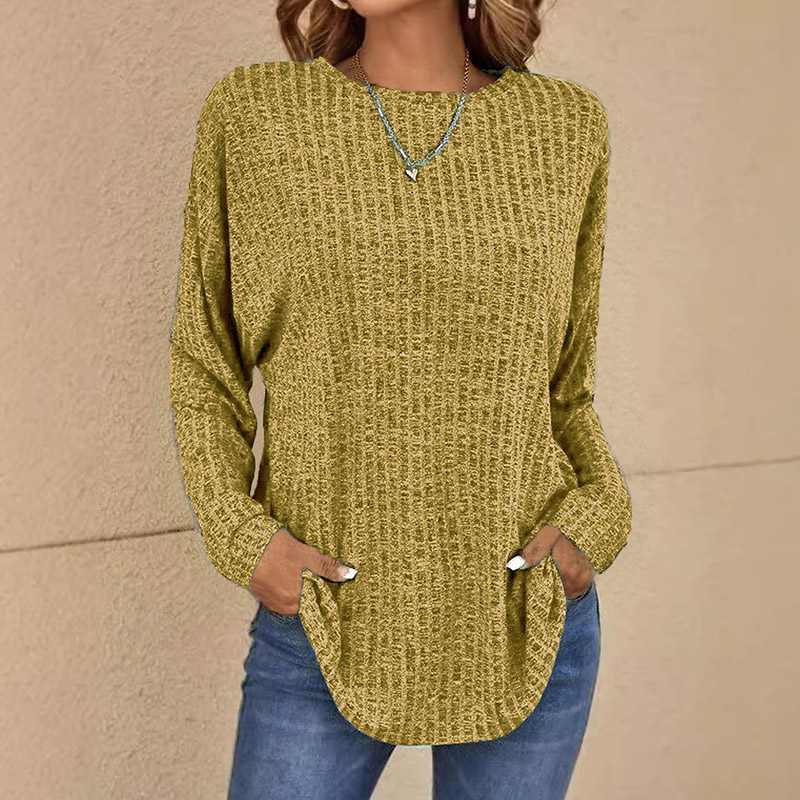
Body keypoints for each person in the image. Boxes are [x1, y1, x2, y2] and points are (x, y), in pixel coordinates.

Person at [168, 1, 633, 798]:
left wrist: (596, 524)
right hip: (322, 624)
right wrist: (244, 539)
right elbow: (205, 361)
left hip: (525, 616)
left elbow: (565, 389)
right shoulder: (256, 117)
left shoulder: (565, 128)